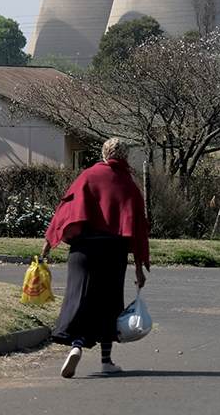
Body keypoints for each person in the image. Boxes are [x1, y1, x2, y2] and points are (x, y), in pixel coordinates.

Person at [42, 137, 150, 378]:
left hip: (83, 250)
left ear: (103, 153)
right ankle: (106, 361)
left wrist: (48, 245)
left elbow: (65, 210)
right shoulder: (128, 185)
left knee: (81, 299)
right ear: (124, 157)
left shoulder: (86, 177)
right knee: (109, 303)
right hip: (113, 252)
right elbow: (137, 228)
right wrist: (139, 269)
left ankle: (76, 346)